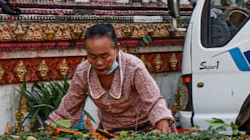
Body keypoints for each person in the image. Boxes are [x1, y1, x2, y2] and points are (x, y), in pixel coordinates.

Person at [47, 24, 175, 133]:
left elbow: (154, 103)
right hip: (110, 134)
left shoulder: (133, 67)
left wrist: (160, 133)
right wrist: (49, 131)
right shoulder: (83, 72)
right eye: (92, 56)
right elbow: (68, 109)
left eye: (105, 56)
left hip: (144, 130)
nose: (99, 63)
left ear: (117, 48)